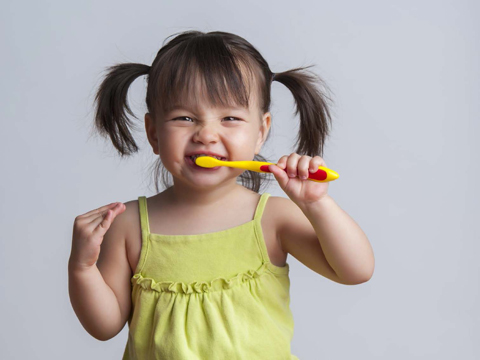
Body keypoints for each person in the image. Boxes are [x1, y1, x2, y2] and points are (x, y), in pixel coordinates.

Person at [68, 30, 375, 359]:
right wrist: (82, 268)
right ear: (154, 133)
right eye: (184, 117)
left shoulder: (272, 219)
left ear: (260, 133)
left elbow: (355, 271)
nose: (206, 134)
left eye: (230, 118)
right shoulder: (128, 225)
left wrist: (317, 204)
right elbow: (104, 327)